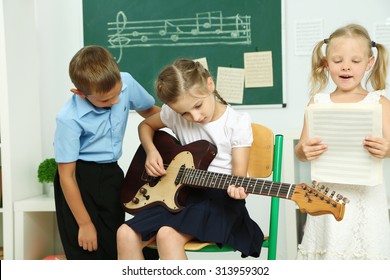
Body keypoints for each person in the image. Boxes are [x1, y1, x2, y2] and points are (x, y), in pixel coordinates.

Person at [116, 58, 264, 260]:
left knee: (166, 235)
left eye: (198, 105)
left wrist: (239, 191)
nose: (195, 117)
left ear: (210, 85)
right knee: (124, 233)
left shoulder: (236, 123)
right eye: (184, 113)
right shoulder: (173, 115)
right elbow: (145, 126)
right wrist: (151, 151)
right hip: (181, 196)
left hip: (220, 202)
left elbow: (238, 179)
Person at [53, 45, 161, 260]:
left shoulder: (126, 81)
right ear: (80, 94)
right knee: (87, 249)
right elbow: (67, 176)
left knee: (115, 245)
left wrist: (181, 122)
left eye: (118, 93)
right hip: (79, 181)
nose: (115, 102)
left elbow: (149, 110)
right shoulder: (68, 118)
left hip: (112, 174)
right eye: (105, 101)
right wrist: (84, 224)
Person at [295, 24, 390, 259]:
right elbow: (301, 150)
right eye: (337, 60)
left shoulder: (379, 102)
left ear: (369, 63)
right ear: (326, 63)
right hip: (328, 196)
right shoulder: (317, 103)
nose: (346, 66)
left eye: (355, 61)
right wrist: (303, 151)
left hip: (367, 199)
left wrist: (387, 149)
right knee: (329, 255)